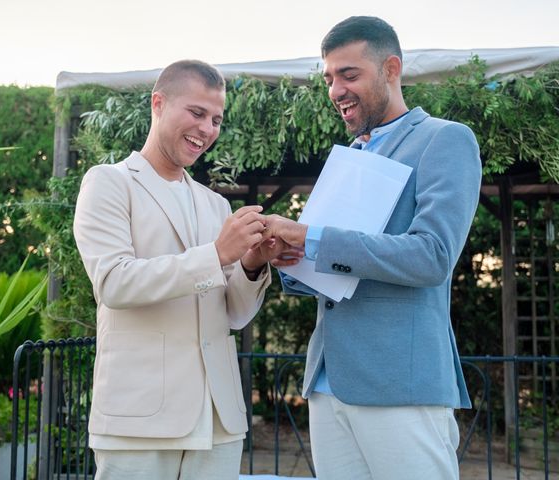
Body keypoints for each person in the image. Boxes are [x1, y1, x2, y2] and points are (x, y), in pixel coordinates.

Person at [264, 16, 482, 480]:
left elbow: (432, 257)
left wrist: (312, 238)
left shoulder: (444, 139)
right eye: (329, 79)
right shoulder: (348, 156)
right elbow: (337, 270)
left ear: (391, 69)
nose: (336, 89)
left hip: (400, 385)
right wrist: (288, 257)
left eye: (349, 74)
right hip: (326, 383)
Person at [73, 59, 288, 480]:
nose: (207, 129)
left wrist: (251, 264)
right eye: (197, 113)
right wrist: (217, 253)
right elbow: (114, 284)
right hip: (141, 418)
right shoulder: (109, 182)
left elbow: (233, 314)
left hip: (218, 418)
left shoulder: (216, 205)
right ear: (158, 103)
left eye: (216, 119)